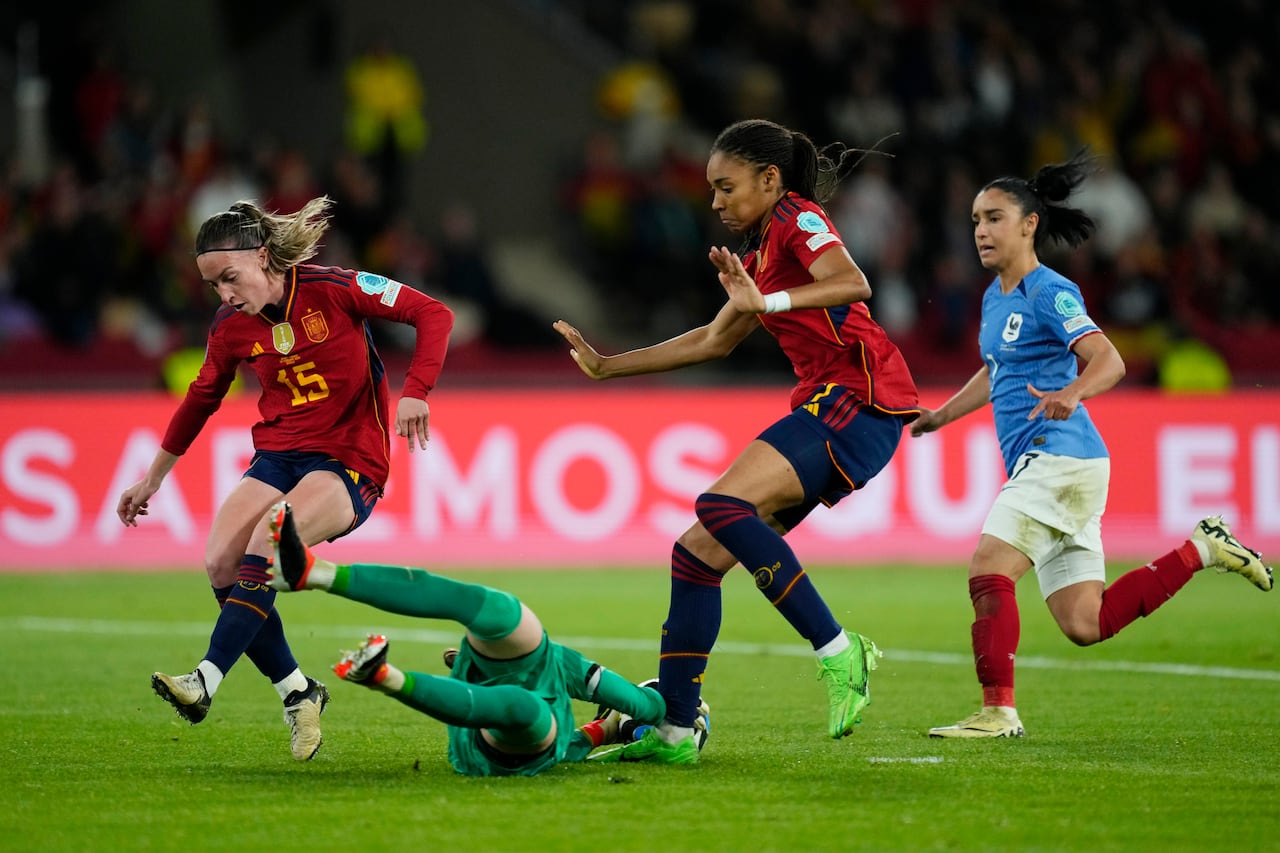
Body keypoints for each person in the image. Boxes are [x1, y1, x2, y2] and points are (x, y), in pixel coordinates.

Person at [553, 118, 921, 761]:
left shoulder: (798, 217)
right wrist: (610, 364)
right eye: (712, 189)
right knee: (696, 553)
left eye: (726, 187)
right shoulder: (757, 255)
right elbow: (712, 340)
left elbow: (854, 281)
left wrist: (770, 303)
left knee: (720, 507)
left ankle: (839, 649)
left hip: (857, 400)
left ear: (769, 179)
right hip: (829, 406)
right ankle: (673, 729)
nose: (716, 201)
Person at [909, 150, 1273, 739]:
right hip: (1065, 467)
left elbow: (1110, 359)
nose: (981, 229)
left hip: (1059, 456)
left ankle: (999, 712)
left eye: (995, 217)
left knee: (988, 568)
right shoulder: (995, 296)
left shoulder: (1050, 291)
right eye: (976, 219)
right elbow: (996, 368)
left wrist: (1074, 392)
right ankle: (1202, 551)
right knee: (1085, 621)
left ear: (1029, 224)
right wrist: (944, 415)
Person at [117, 196, 454, 760]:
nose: (224, 295)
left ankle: (205, 679)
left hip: (349, 458)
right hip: (278, 457)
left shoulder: (335, 287)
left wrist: (416, 391)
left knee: (265, 542)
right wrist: (152, 479)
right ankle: (298, 692)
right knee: (221, 562)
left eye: (229, 278)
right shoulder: (230, 327)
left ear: (264, 256)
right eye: (213, 286)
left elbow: (434, 313)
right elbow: (201, 399)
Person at [265, 501, 702, 775]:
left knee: (520, 707)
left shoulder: (579, 739)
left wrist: (639, 716)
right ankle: (314, 572)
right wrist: (643, 717)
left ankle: (384, 676)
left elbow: (643, 704)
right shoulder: (582, 699)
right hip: (532, 668)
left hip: (500, 748)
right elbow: (641, 704)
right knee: (497, 608)